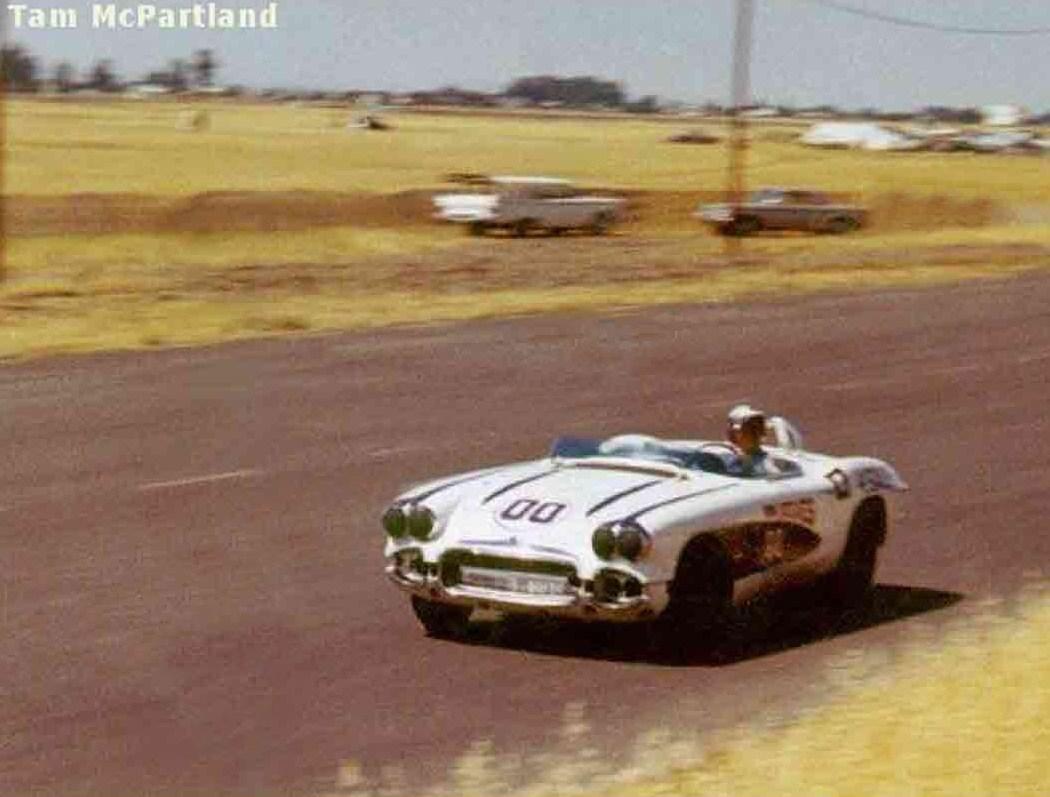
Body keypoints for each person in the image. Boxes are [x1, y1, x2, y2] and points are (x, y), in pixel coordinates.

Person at [726, 404, 776, 477]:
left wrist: (746, 462)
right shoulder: (735, 455)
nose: (755, 433)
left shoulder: (766, 466)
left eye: (755, 429)